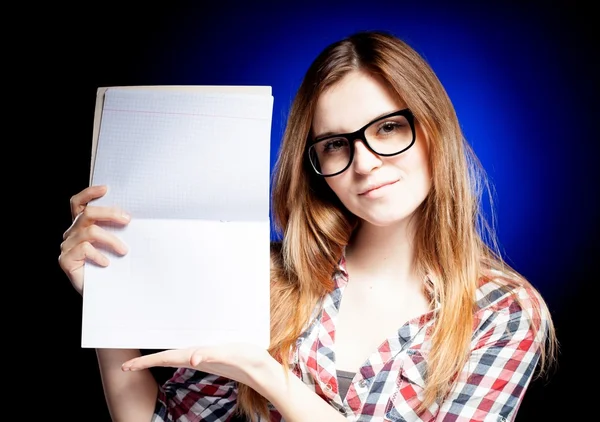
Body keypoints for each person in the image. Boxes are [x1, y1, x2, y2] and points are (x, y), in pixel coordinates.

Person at [59, 30, 558, 422]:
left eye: (388, 127)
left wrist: (265, 375)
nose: (364, 163)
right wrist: (108, 298)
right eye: (337, 144)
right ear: (316, 164)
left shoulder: (504, 313)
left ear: (433, 130)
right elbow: (156, 420)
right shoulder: (266, 281)